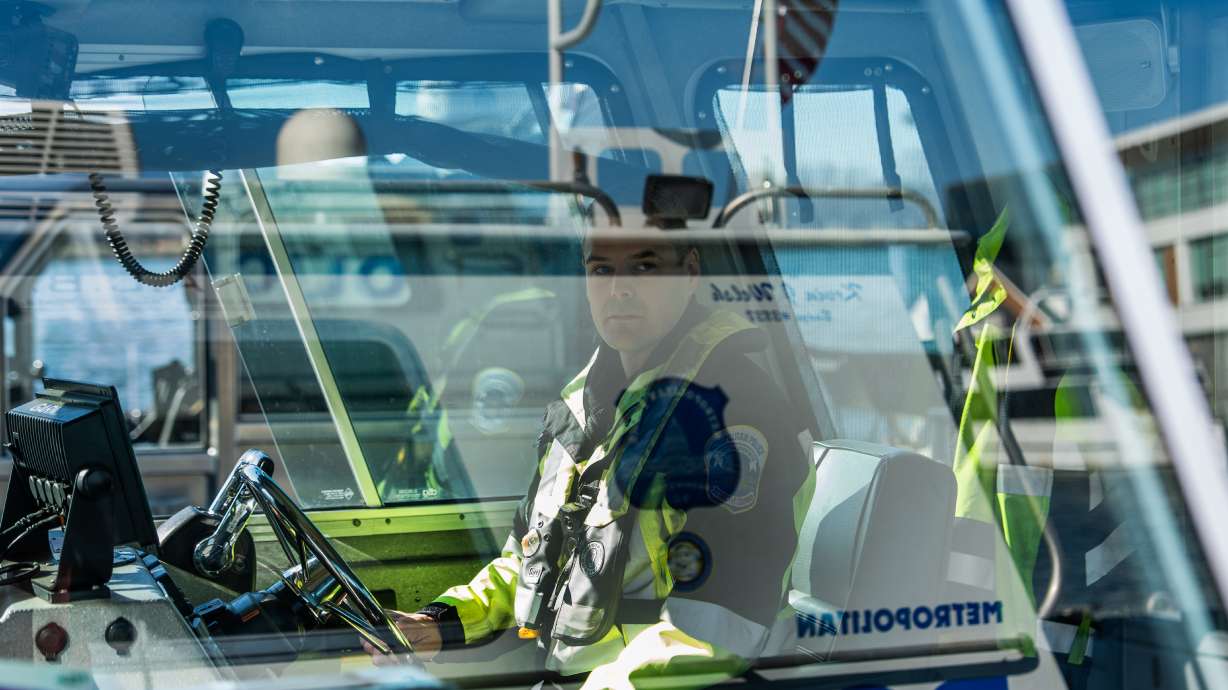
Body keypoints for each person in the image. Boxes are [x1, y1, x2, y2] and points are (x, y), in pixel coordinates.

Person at [367, 225, 812, 689]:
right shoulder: (580, 409)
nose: (619, 289)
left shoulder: (736, 411)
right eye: (601, 269)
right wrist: (439, 625)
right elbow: (529, 559)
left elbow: (716, 627)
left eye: (644, 267)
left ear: (690, 272)